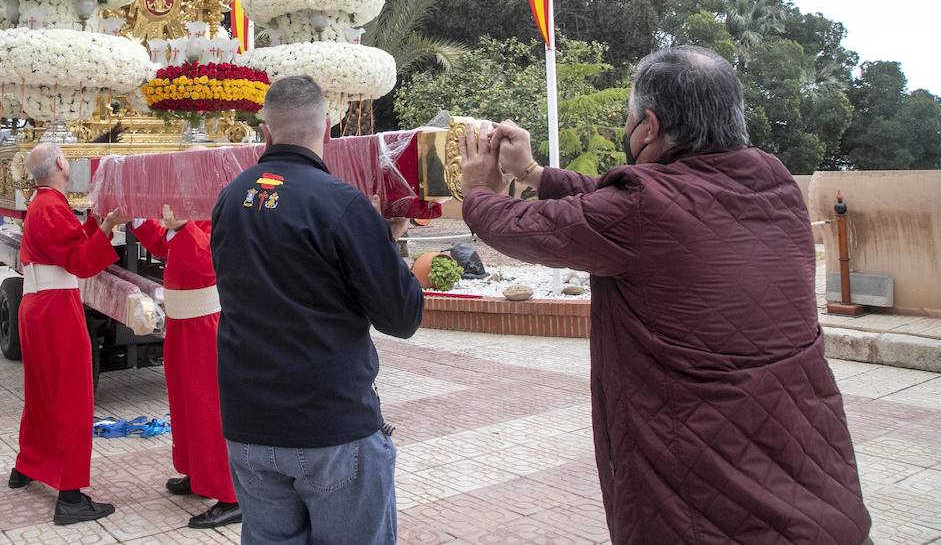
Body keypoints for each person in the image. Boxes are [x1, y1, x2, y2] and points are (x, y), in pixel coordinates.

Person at [458, 46, 871, 545]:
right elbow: (624, 200)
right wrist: (534, 174)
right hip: (824, 498)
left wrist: (480, 191)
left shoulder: (640, 210)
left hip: (708, 511)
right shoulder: (775, 184)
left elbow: (528, 226)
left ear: (649, 126)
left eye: (629, 121)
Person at [211, 76, 421, 545]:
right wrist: (391, 241)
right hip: (328, 425)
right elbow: (401, 316)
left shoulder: (230, 198)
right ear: (326, 127)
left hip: (249, 425)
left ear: (265, 130)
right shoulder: (340, 204)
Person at [9, 141, 125, 526]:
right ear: (60, 162)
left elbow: (69, 244)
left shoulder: (42, 204)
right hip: (55, 306)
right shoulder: (50, 206)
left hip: (38, 304)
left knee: (42, 391)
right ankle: (71, 496)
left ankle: (27, 465)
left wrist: (94, 223)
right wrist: (107, 228)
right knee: (73, 396)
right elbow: (79, 260)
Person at [130, 202, 241, 529]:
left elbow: (210, 260)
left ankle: (229, 493)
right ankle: (197, 472)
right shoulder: (188, 200)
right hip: (182, 319)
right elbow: (166, 244)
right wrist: (137, 216)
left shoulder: (216, 203)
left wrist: (180, 227)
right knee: (184, 403)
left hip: (204, 319)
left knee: (208, 408)